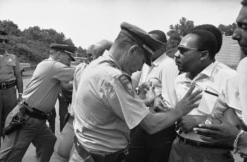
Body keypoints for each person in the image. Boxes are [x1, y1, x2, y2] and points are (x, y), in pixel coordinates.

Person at [69, 22, 202, 162]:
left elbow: (111, 105)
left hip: (85, 153)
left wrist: (145, 101)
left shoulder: (97, 65)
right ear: (132, 50)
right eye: (143, 60)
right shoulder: (114, 77)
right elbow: (151, 125)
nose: (140, 68)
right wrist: (180, 109)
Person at [0, 43, 76, 162]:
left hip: (37, 119)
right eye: (69, 59)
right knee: (9, 157)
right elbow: (81, 73)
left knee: (48, 142)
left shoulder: (49, 66)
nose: (69, 62)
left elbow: (66, 86)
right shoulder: (53, 66)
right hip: (26, 118)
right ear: (59, 54)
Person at [168, 28, 238, 162]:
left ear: (203, 55)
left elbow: (240, 123)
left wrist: (201, 122)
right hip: (178, 148)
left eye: (183, 51)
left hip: (212, 154)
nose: (176, 55)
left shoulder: (230, 79)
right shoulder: (179, 79)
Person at [194, 0, 247, 160]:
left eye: (245, 26)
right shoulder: (244, 68)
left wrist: (240, 139)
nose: (235, 35)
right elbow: (216, 116)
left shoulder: (228, 74)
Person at [50, 40, 112, 162]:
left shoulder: (81, 69)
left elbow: (67, 84)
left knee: (60, 156)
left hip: (73, 120)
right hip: (91, 128)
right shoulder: (106, 74)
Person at [126, 30, 179, 162]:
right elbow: (141, 90)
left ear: (163, 46)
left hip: (159, 126)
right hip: (143, 119)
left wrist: (155, 100)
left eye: (151, 45)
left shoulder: (169, 65)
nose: (147, 48)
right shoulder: (146, 64)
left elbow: (170, 102)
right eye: (145, 45)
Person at [0, 29, 23, 155]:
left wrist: (21, 95)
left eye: (6, 41)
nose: (3, 43)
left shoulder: (12, 57)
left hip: (10, 92)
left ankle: (8, 154)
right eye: (0, 40)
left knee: (10, 123)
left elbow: (18, 76)